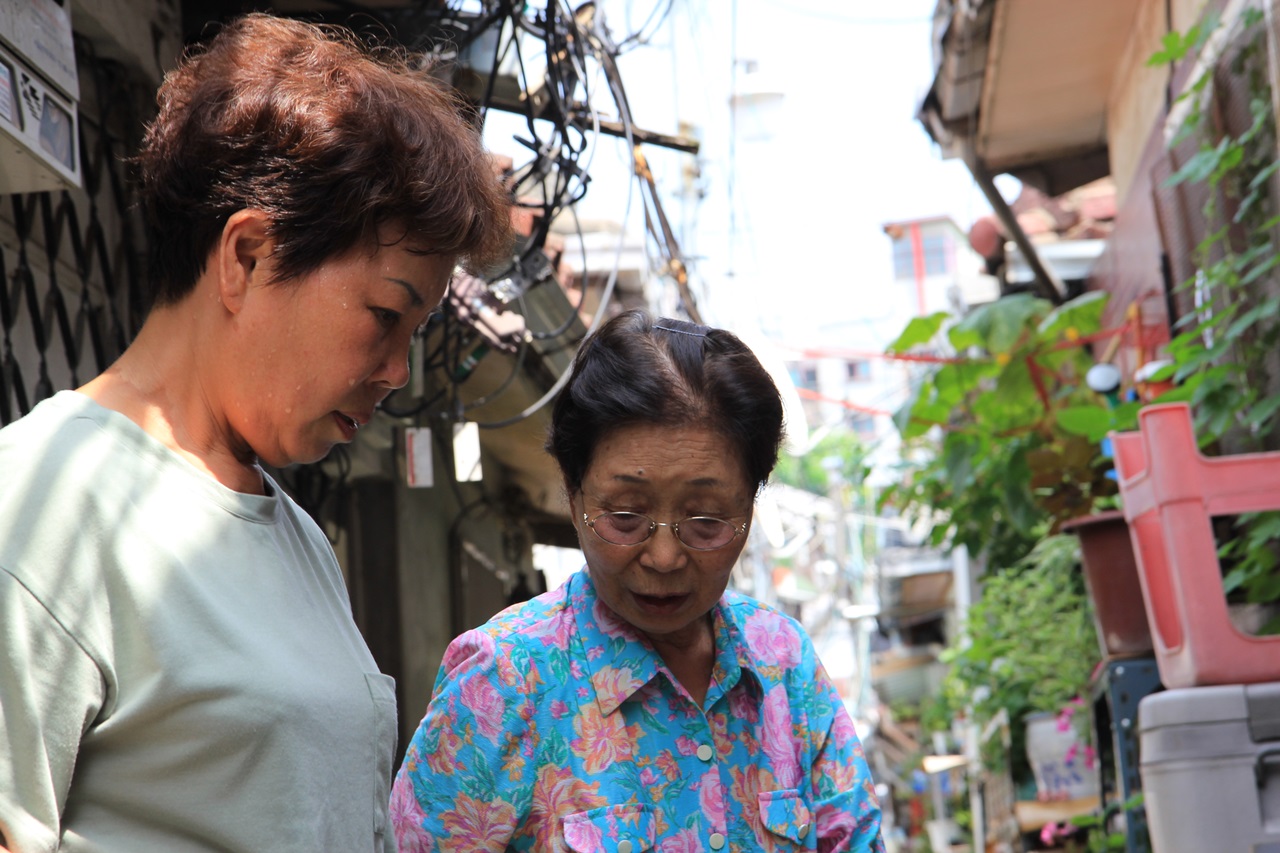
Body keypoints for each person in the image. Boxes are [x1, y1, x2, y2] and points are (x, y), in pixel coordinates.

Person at [0, 13, 509, 853]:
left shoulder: (300, 538)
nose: (397, 372)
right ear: (246, 257)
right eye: (385, 315)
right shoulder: (41, 504)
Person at [391, 310, 885, 852]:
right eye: (625, 517)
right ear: (574, 495)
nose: (666, 557)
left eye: (706, 520)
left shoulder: (784, 664)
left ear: (750, 505)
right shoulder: (504, 681)